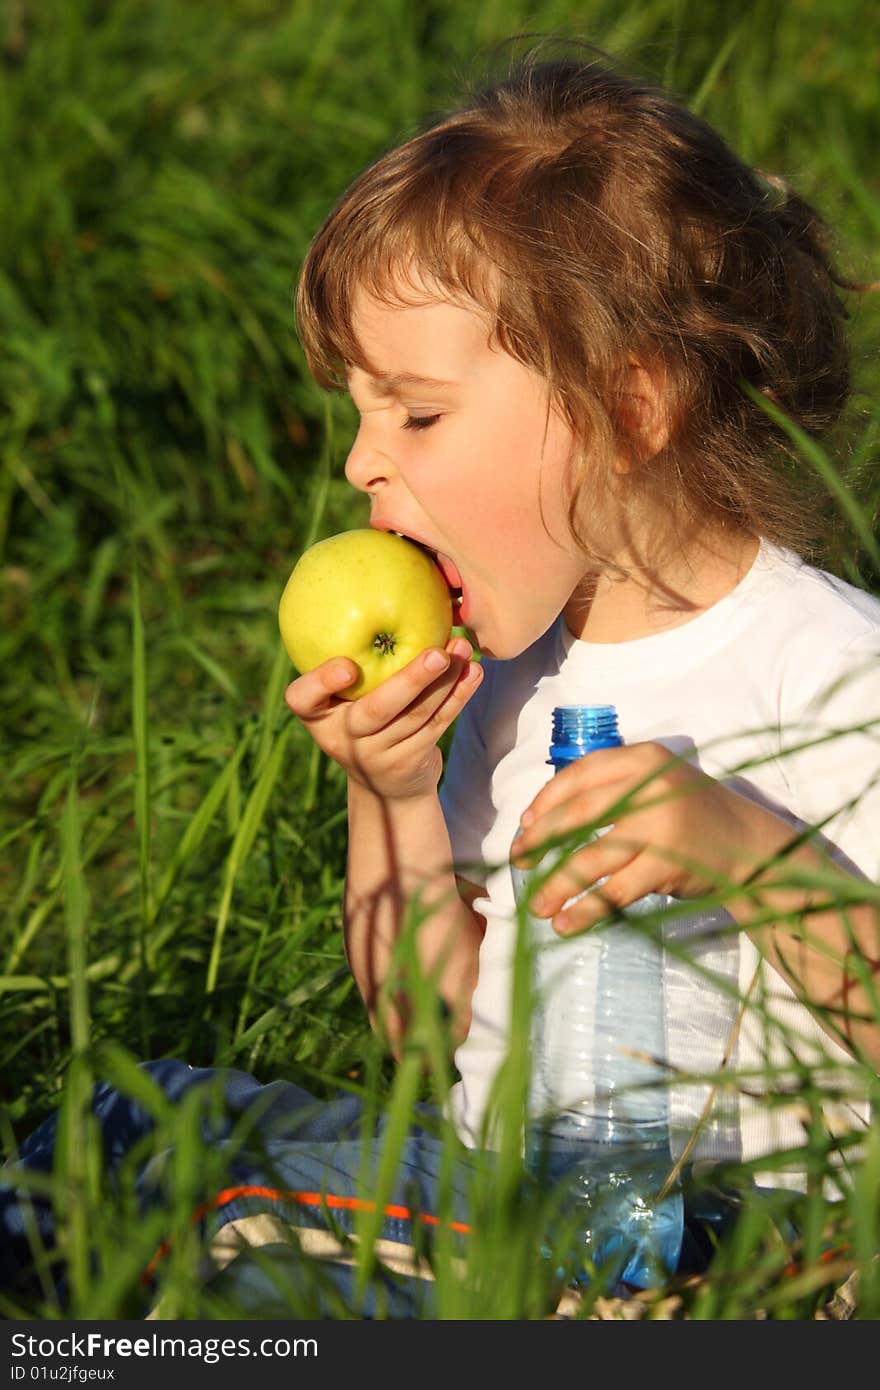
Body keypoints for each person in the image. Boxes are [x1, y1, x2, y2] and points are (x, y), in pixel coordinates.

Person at [3, 47, 878, 1315]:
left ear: (630, 410)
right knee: (128, 1123)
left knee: (210, 1209)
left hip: (729, 1245)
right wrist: (393, 791)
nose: (363, 464)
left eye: (415, 415)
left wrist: (744, 848)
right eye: (360, 415)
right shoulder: (517, 674)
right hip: (510, 1190)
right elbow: (428, 1032)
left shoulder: (827, 673)